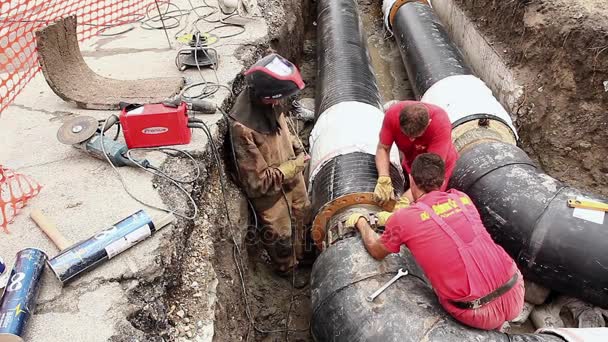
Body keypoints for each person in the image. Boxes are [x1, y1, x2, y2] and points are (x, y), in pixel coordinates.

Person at [347, 153, 524, 330]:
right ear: (443, 180)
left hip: (477, 312)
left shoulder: (403, 219)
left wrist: (361, 221)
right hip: (515, 290)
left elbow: (376, 250)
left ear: (411, 179)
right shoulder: (461, 198)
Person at [229, 53, 310, 277]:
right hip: (272, 197)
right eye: (276, 99)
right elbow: (258, 182)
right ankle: (288, 270)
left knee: (303, 218)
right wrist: (295, 166)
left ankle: (303, 257)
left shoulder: (271, 102)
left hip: (293, 179)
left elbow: (285, 130)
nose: (278, 103)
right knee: (281, 240)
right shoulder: (243, 128)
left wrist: (297, 147)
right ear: (266, 95)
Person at [374, 101, 458, 205]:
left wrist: (403, 202)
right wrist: (383, 178)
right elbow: (383, 148)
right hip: (412, 160)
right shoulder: (392, 114)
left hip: (435, 169)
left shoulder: (440, 123)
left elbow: (429, 179)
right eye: (406, 135)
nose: (411, 139)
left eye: (416, 136)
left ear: (428, 123)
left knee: (423, 205)